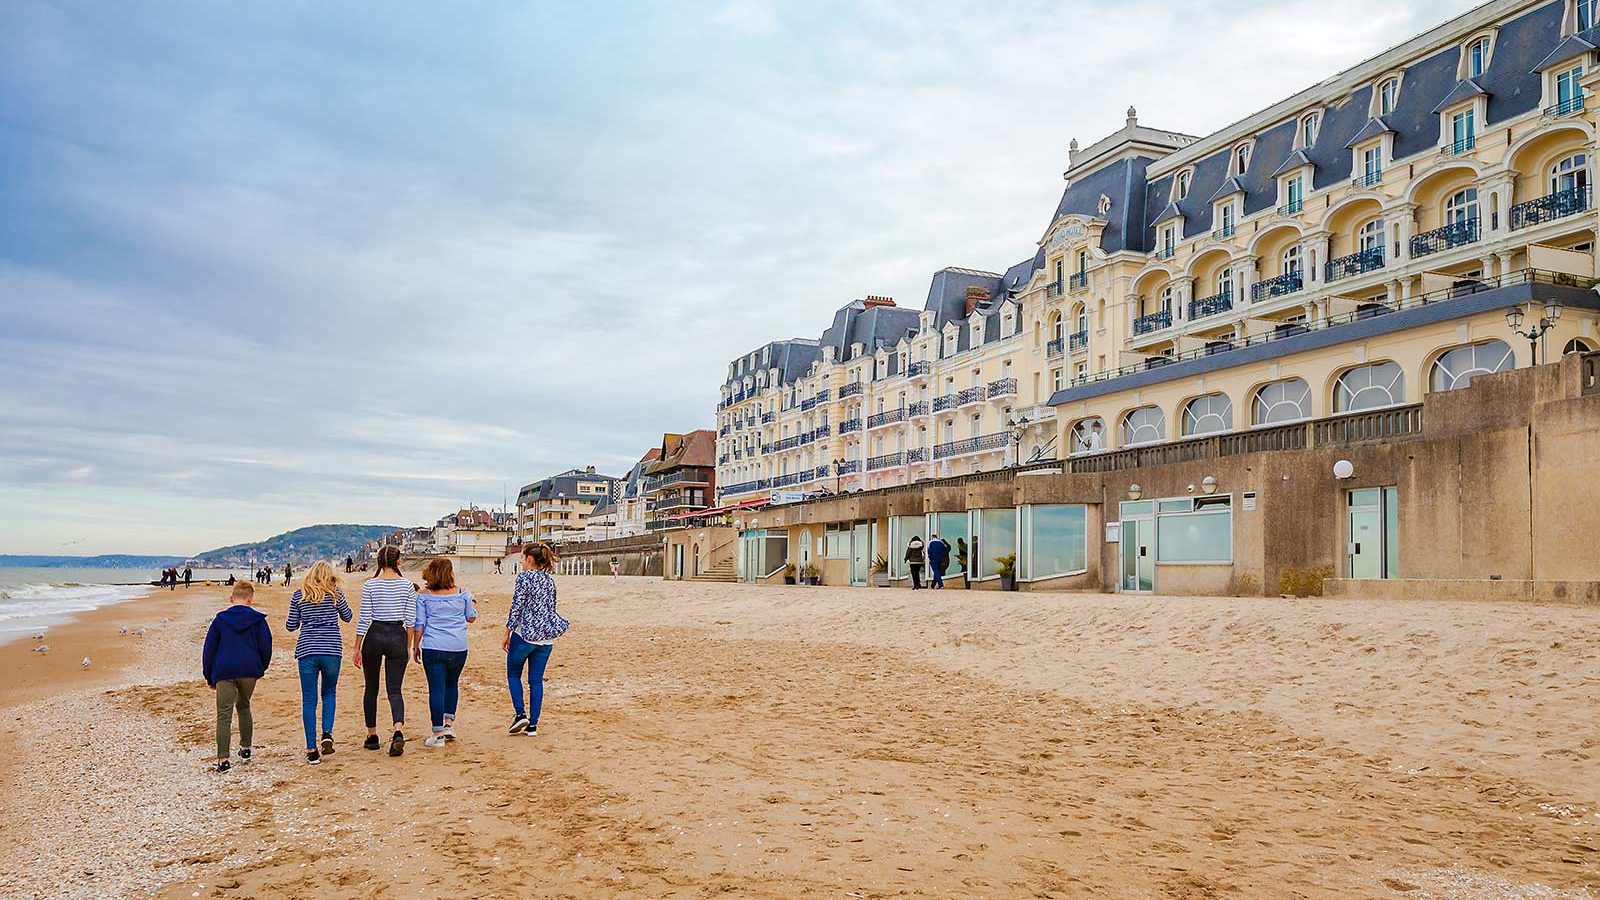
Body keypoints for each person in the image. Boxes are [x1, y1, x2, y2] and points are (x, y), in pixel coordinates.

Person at [284, 561, 352, 765]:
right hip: (331, 650)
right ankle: (327, 733)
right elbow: (348, 617)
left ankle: (311, 749)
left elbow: (290, 626)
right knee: (329, 693)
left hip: (307, 651)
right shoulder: (335, 594)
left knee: (309, 699)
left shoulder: (299, 595)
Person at [202, 582, 272, 773]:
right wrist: (261, 668)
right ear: (250, 599)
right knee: (244, 706)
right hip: (249, 670)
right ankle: (246, 748)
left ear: (231, 599)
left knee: (224, 714)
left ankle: (223, 759)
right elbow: (266, 646)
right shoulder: (258, 620)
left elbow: (209, 649)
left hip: (224, 671)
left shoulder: (220, 620)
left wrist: (209, 675)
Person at [356, 546, 416, 756]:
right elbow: (411, 621)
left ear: (380, 561)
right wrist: (407, 646)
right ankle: (397, 730)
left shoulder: (370, 585)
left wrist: (357, 647)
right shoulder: (407, 586)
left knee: (371, 688)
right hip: (396, 635)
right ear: (398, 561)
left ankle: (372, 736)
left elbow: (364, 618)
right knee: (395, 689)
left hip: (375, 634)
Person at [504, 542, 568, 736]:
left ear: (529, 559)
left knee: (514, 674)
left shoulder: (524, 578)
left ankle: (520, 714)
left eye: (523, 558)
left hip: (525, 635)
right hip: (546, 638)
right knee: (536, 680)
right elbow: (551, 607)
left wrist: (507, 631)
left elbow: (517, 606)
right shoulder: (550, 580)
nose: (522, 562)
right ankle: (533, 725)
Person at [413, 557, 477, 748]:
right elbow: (471, 618)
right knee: (452, 684)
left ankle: (437, 733)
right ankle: (449, 724)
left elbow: (420, 624)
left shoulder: (424, 596)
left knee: (436, 688)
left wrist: (415, 646)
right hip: (458, 646)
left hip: (433, 646)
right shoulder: (463, 593)